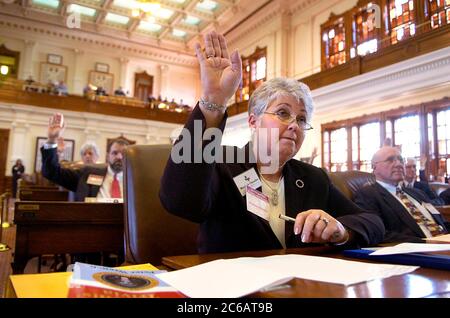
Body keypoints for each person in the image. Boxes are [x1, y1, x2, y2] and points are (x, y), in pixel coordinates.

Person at [159, 31, 385, 254]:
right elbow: (178, 200)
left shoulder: (313, 179)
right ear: (253, 121)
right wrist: (213, 100)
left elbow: (373, 221)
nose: (294, 125)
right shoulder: (222, 164)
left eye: (302, 119)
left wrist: (341, 230)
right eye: (283, 113)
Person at [354, 146, 448, 243]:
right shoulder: (368, 195)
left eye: (401, 160)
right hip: (420, 250)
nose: (399, 164)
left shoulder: (417, 193)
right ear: (374, 167)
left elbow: (441, 221)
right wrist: (426, 243)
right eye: (390, 160)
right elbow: (377, 233)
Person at [41, 113, 129, 201]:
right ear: (107, 156)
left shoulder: (136, 181)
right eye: (115, 153)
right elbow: (51, 172)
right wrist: (51, 140)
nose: (119, 157)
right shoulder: (87, 174)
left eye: (123, 154)